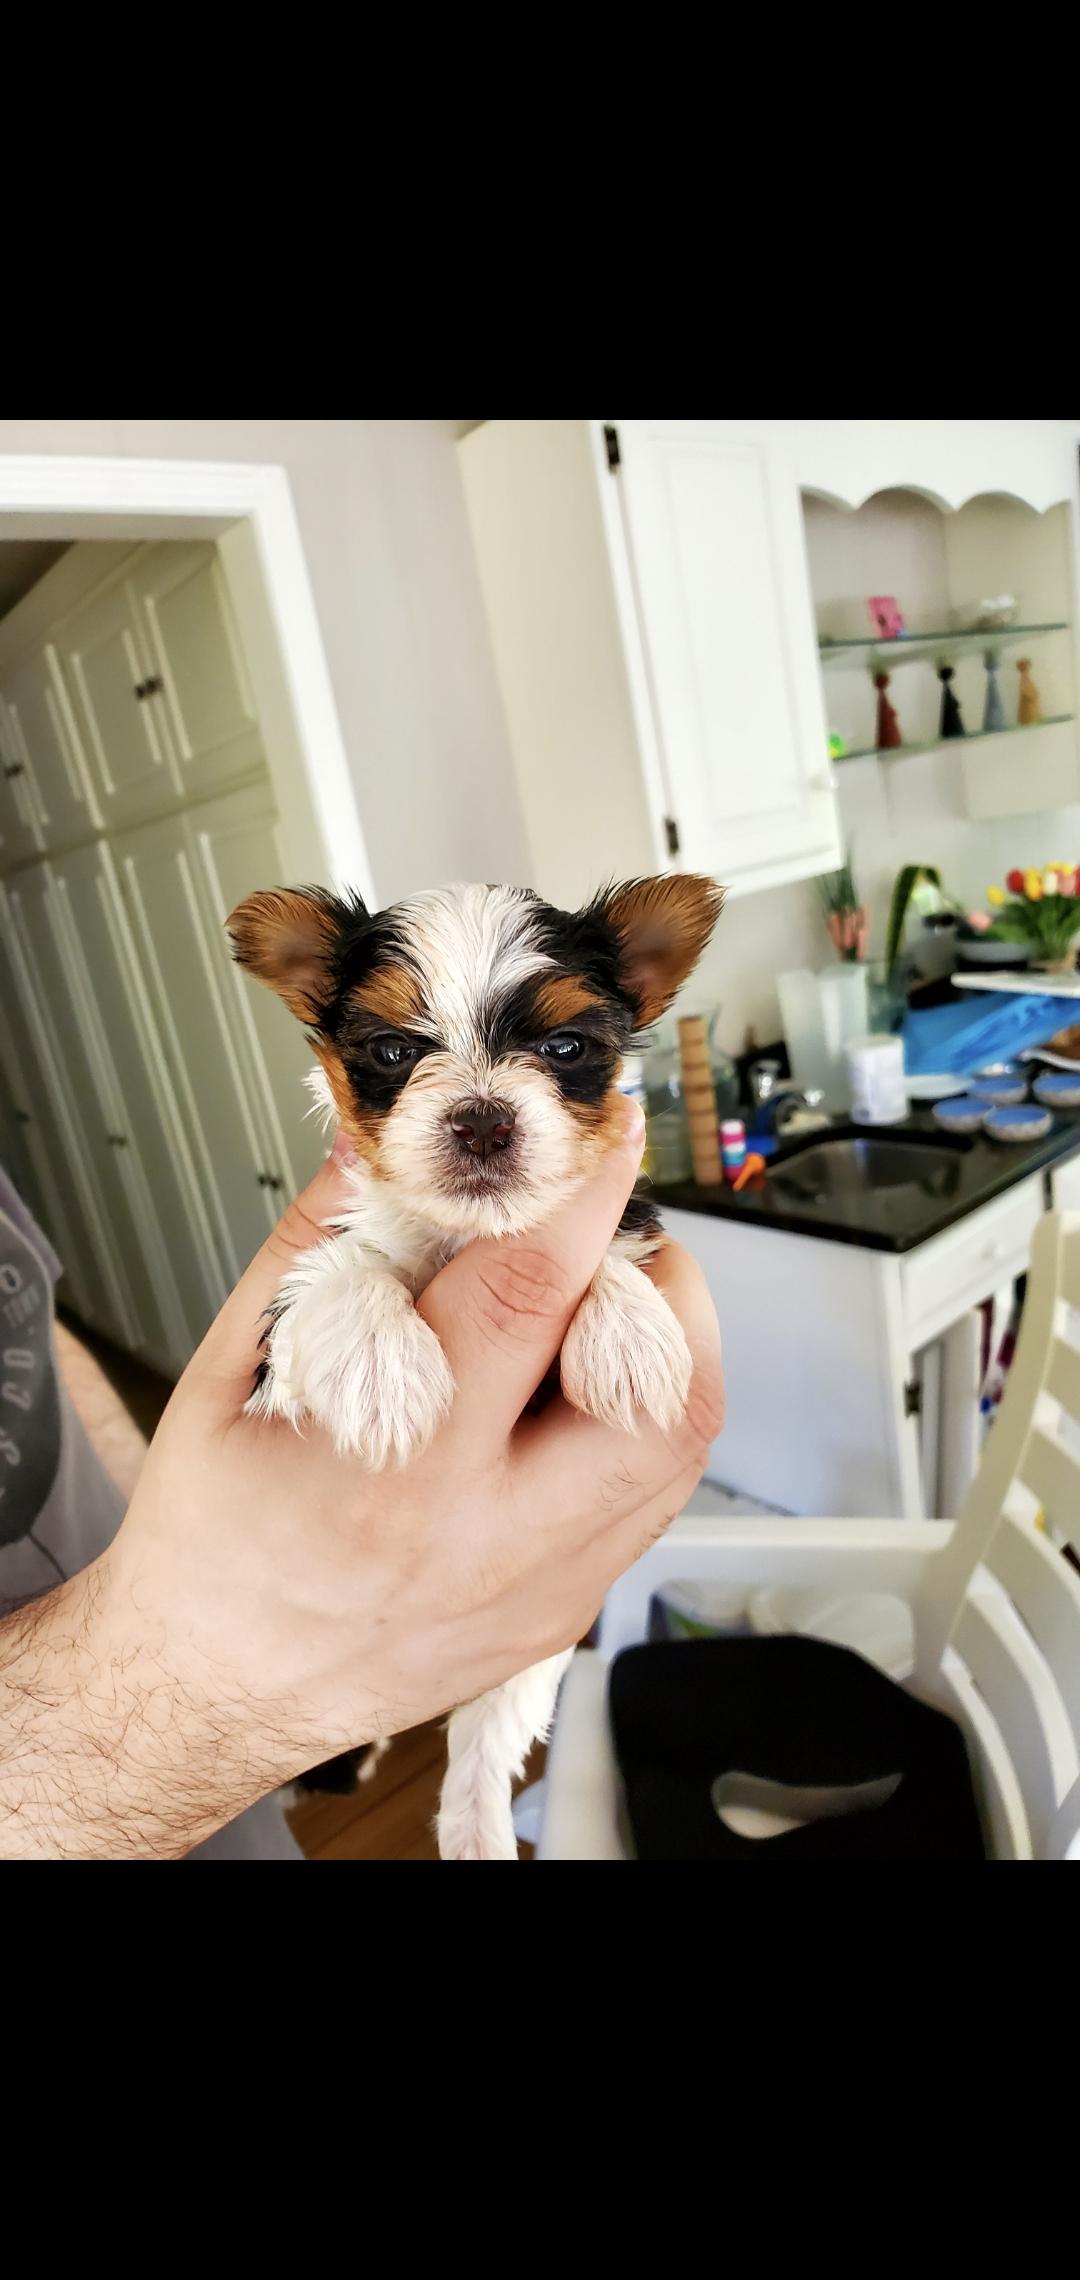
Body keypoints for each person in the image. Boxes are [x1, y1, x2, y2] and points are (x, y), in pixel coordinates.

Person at [0, 1099, 723, 1859]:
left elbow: (36, 1328)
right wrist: (218, 1681)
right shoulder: (364, 1248)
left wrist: (163, 1532)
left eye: (565, 1047)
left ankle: (475, 1797)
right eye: (393, 1051)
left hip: (202, 1775)